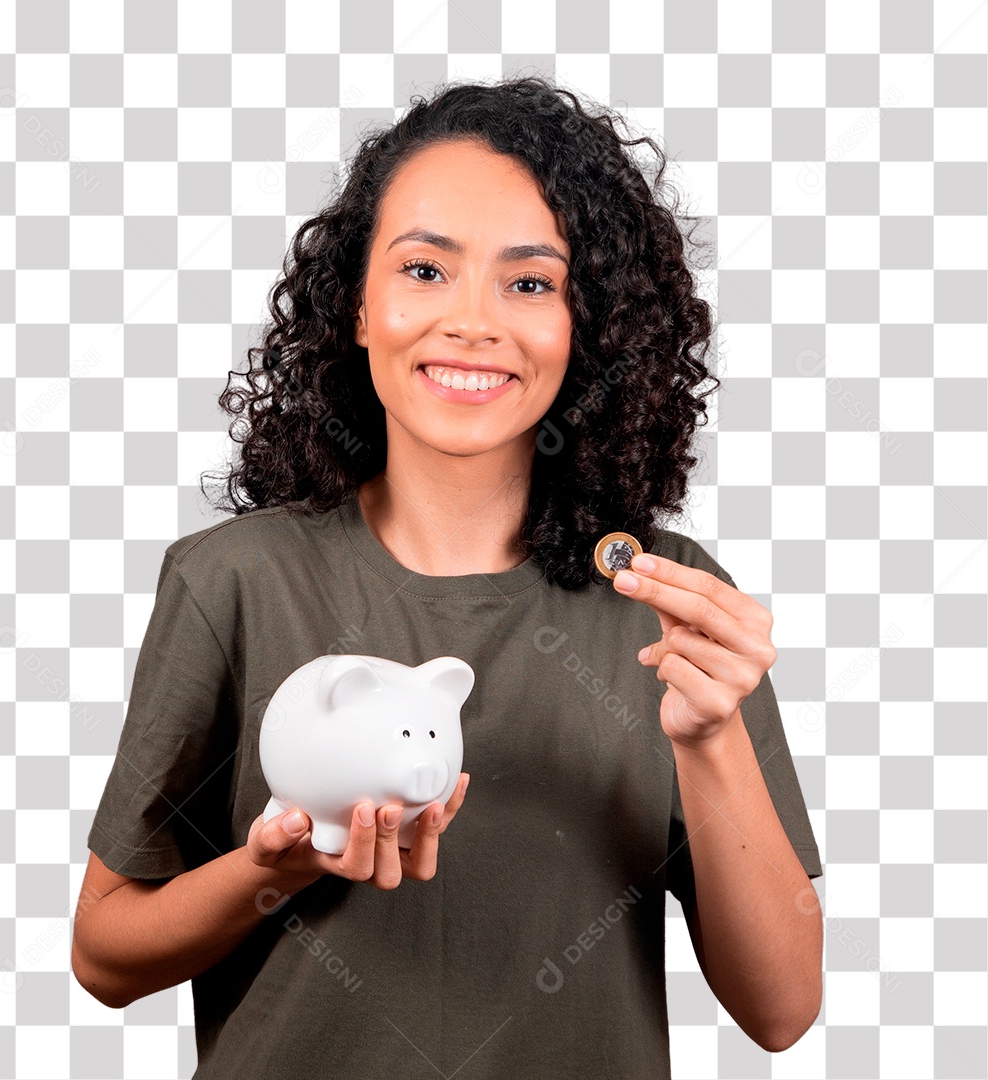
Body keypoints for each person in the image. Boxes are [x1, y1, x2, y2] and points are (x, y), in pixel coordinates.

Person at [71, 75, 823, 1078]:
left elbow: (781, 1011)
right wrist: (274, 868)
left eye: (529, 282)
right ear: (357, 307)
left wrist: (712, 736)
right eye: (425, 270)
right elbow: (104, 954)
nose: (473, 322)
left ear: (584, 329)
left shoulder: (674, 607)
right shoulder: (235, 581)